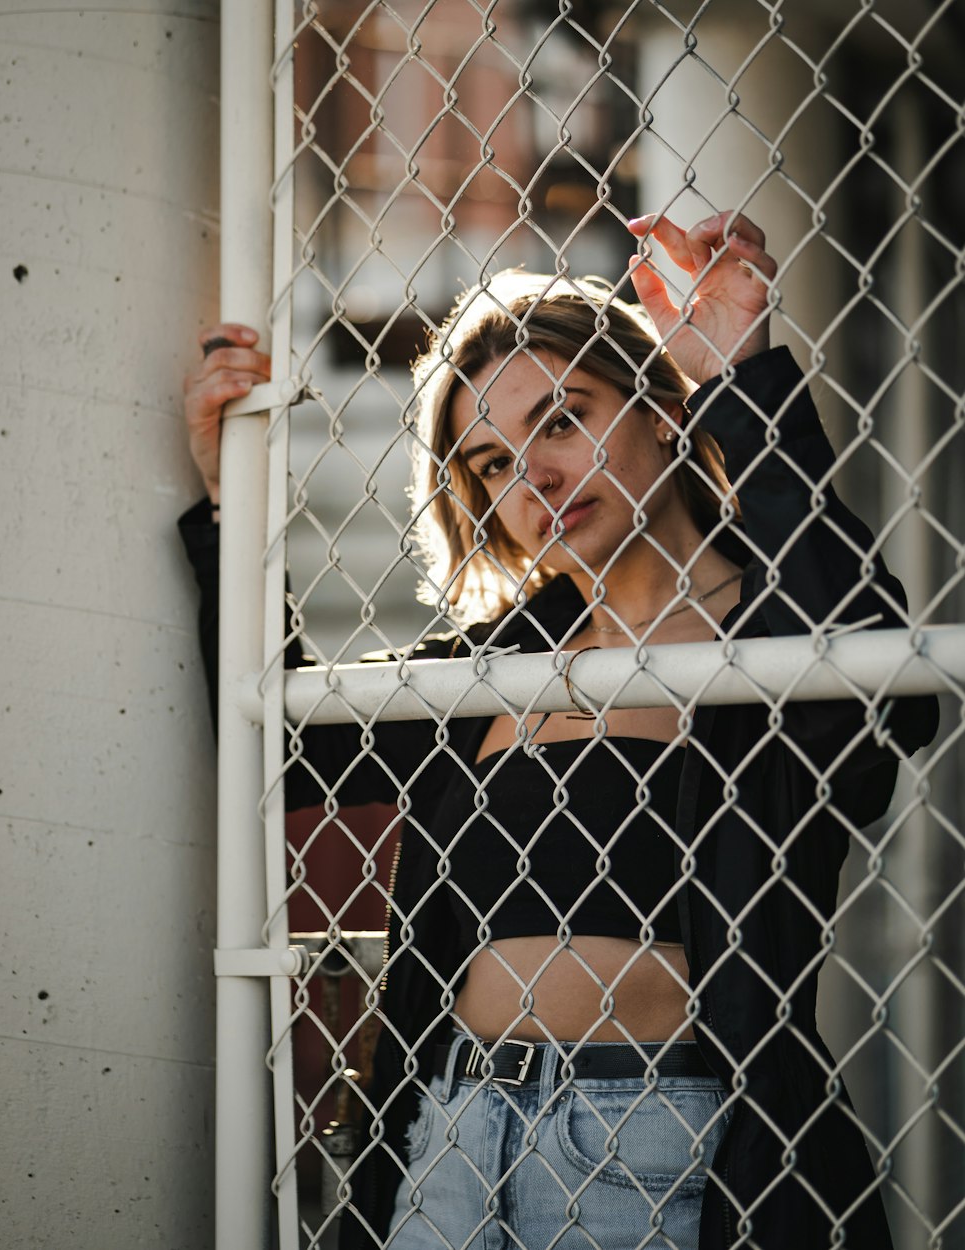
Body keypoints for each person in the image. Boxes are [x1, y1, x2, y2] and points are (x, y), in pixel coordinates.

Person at [180, 211, 938, 1250]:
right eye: (491, 461)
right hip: (450, 1128)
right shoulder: (499, 663)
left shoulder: (769, 632)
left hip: (655, 1137)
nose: (531, 476)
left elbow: (884, 700)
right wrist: (230, 506)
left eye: (563, 419)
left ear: (662, 410)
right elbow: (287, 750)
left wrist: (739, 382)